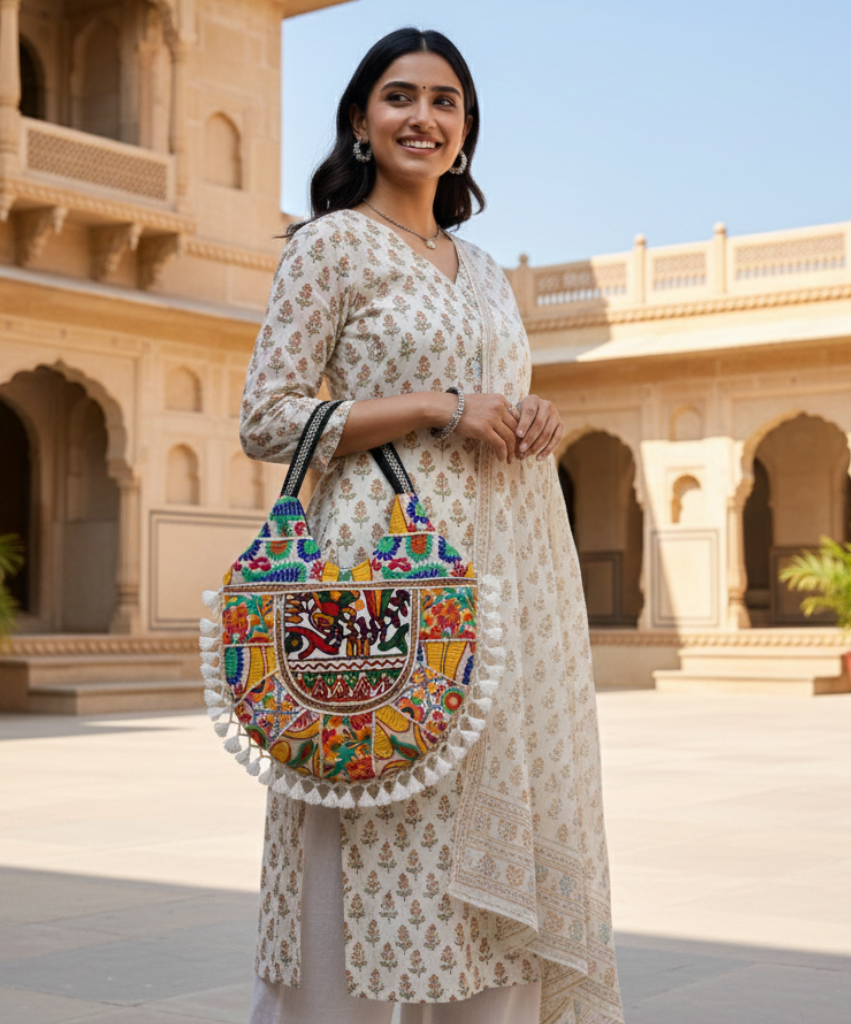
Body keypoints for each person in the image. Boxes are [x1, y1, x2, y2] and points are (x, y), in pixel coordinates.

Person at [238, 27, 624, 1024]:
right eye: (399, 97)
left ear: (465, 131)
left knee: (479, 820)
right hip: (374, 574)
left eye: (444, 101)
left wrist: (528, 415)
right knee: (374, 796)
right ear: (363, 122)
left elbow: (498, 403)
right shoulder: (329, 244)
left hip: (501, 577)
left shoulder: (486, 270)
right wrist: (429, 405)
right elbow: (266, 417)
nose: (423, 116)